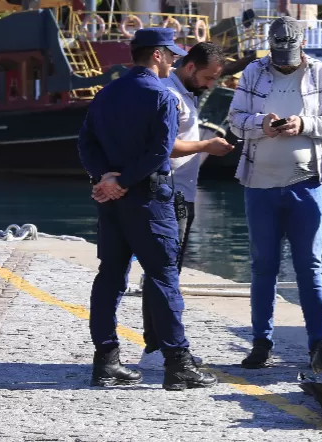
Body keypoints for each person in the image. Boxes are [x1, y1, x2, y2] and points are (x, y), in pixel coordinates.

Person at [77, 27, 217, 391]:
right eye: (171, 54)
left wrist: (105, 177)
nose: (174, 60)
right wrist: (123, 181)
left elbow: (86, 142)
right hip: (150, 200)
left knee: (110, 276)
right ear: (156, 55)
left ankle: (106, 361)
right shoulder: (162, 97)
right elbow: (160, 151)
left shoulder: (106, 93)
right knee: (163, 277)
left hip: (113, 202)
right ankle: (178, 364)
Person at [226, 15, 322, 369]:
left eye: (289, 55)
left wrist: (304, 124)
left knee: (310, 266)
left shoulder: (320, 72)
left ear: (302, 45)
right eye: (278, 55)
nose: (284, 61)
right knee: (263, 267)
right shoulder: (253, 72)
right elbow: (234, 120)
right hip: (258, 185)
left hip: (305, 182)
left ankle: (318, 345)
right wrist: (261, 126)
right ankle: (261, 342)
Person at [137, 41, 235, 370]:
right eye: (208, 77)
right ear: (190, 67)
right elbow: (162, 147)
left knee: (168, 273)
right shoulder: (169, 93)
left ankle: (164, 345)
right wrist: (207, 144)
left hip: (183, 195)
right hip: (169, 195)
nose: (211, 85)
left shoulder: (186, 93)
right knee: (163, 275)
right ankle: (157, 349)